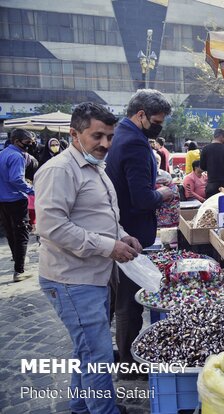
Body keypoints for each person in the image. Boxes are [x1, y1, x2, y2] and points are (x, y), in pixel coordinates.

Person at [35, 102, 141, 414]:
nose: (105, 144)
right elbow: (53, 227)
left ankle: (81, 407)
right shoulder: (58, 170)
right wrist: (108, 247)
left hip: (94, 276)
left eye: (109, 136)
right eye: (98, 136)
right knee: (97, 354)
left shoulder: (95, 167)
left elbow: (100, 217)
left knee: (87, 349)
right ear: (74, 134)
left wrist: (121, 235)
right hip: (71, 279)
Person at [105, 89, 174, 376]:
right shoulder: (134, 141)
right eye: (157, 120)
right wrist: (164, 192)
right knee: (128, 303)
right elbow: (141, 198)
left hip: (123, 226)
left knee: (122, 300)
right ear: (141, 114)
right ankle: (129, 364)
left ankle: (123, 356)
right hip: (129, 231)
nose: (159, 126)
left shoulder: (123, 133)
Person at [0, 129, 36, 282]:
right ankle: (19, 271)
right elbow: (16, 179)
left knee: (10, 231)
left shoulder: (3, 153)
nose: (30, 145)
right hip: (16, 200)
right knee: (22, 234)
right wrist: (32, 191)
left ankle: (17, 259)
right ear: (16, 141)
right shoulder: (17, 156)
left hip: (3, 200)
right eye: (28, 142)